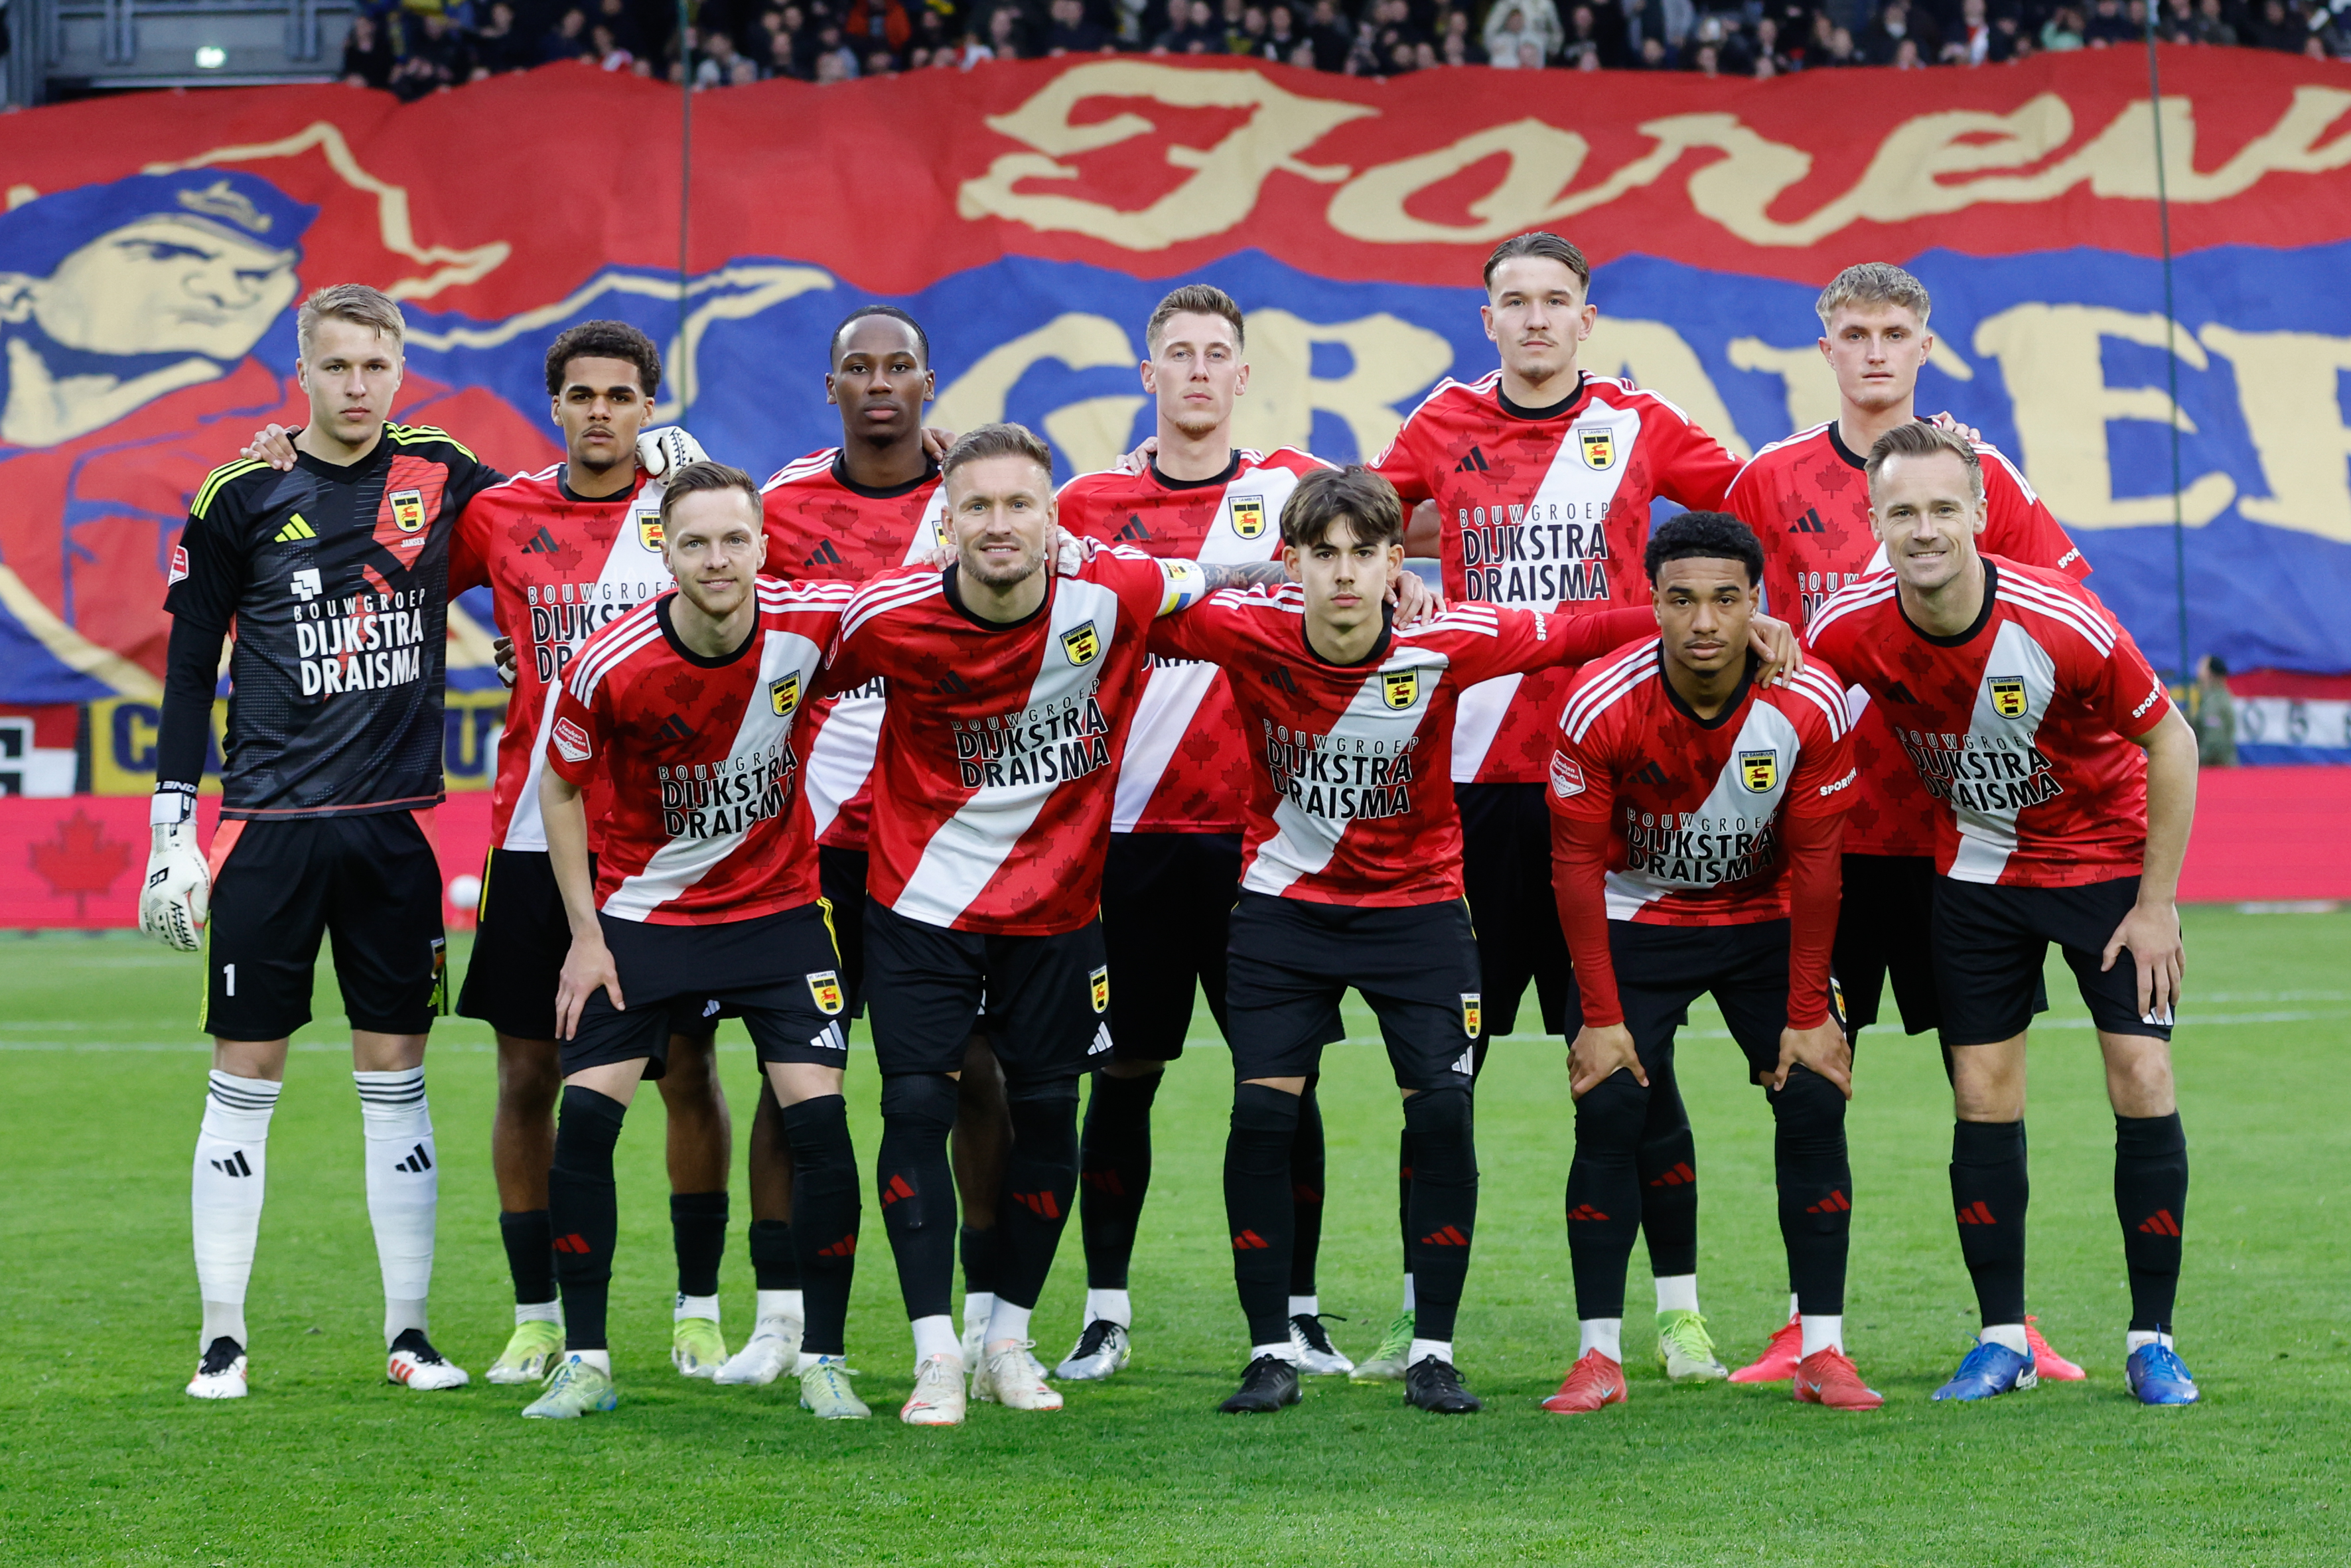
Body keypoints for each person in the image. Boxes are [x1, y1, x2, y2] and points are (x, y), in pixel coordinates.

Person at [1146, 467, 1695, 1417]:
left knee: (1441, 1113)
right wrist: (1186, 573)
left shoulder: (1446, 638)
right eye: (1323, 555)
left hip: (1418, 910)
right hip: (1281, 909)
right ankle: (1269, 1346)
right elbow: (1125, 604)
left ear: (1396, 562)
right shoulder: (1246, 632)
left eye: (1364, 553)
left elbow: (1577, 627)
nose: (1345, 575)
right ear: (1294, 563)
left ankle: (1431, 1350)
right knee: (1260, 1120)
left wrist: (1705, 626)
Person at [823, 422, 1274, 1426]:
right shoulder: (884, 616)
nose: (997, 523)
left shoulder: (1114, 592)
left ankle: (1008, 1339)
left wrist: (1404, 584)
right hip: (921, 907)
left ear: (1052, 520)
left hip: (1060, 910)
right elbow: (767, 661)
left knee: (1046, 1121)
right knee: (915, 1112)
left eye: (1018, 504)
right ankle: (934, 1350)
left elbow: (1236, 574)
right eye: (976, 505)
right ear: (944, 524)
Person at [1362, 230, 1745, 1384]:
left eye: (1554, 302)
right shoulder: (1437, 424)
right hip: (1470, 788)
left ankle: (1675, 1313)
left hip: (1618, 779)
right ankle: (1418, 1320)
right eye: (1512, 302)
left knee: (1636, 1065)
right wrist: (1400, 561)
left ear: (1587, 317)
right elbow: (1355, 524)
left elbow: (1751, 506)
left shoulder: (1640, 421)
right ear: (1486, 319)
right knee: (1445, 1071)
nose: (1533, 319)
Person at [1720, 260, 2093, 1385]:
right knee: (1808, 1072)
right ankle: (1804, 1322)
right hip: (1819, 837)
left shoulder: (1984, 477)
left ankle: (2009, 1324)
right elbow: (1720, 621)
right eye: (1852, 331)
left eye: (1892, 332)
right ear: (1822, 345)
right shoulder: (1767, 480)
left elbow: (2069, 613)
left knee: (1985, 1081)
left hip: (1960, 840)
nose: (1872, 350)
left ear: (1923, 348)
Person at [147, 285, 500, 1399]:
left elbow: (564, 519)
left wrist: (655, 468)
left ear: (402, 371)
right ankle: (222, 1337)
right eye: (338, 366)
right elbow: (189, 665)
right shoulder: (240, 490)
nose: (358, 386)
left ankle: (410, 1335)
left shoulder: (442, 472)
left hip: (395, 829)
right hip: (268, 830)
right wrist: (172, 827)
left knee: (396, 1076)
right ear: (302, 372)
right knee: (243, 1073)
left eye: (376, 367)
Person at [1806, 422, 2202, 1407]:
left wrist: (2154, 904)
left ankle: (2151, 1339)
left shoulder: (2062, 620)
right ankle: (2001, 1337)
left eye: (1944, 508)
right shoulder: (1850, 626)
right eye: (1902, 511)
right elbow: (1794, 704)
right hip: (1976, 875)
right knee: (1981, 1093)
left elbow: (2173, 743)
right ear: (1874, 520)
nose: (1924, 528)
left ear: (1980, 515)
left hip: (2104, 866)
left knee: (2140, 1074)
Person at [522, 461, 871, 1421]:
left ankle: (823, 1356)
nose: (717, 559)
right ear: (661, 549)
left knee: (819, 1124)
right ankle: (586, 1360)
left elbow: (919, 604)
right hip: (643, 921)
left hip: (779, 914)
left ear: (763, 543)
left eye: (733, 539)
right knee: (586, 1121)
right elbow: (556, 788)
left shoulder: (813, 628)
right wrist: (585, 937)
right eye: (695, 542)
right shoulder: (607, 663)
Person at [1050, 285, 1348, 1385]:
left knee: (1283, 1078)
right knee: (1121, 1074)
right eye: (1174, 353)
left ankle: (1301, 1311)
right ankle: (1103, 1308)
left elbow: (1381, 555)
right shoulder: (1087, 502)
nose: (1193, 370)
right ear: (1147, 374)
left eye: (1213, 354)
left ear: (1239, 375)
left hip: (1260, 840)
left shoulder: (1293, 494)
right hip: (1123, 837)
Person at [445, 321, 738, 1389]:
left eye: (622, 393)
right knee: (527, 1073)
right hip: (533, 833)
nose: (602, 411)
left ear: (650, 404)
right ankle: (534, 1317)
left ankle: (698, 1311)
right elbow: (385, 561)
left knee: (690, 1071)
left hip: (668, 844)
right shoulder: (499, 513)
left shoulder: (690, 513)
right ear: (554, 405)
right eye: (582, 394)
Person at [1541, 510, 1882, 1417]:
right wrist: (1601, 1017)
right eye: (1681, 599)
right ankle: (1596, 1355)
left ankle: (1819, 1346)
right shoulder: (1598, 702)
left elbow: (1816, 867)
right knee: (1607, 1100)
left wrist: (1808, 1010)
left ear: (1754, 605)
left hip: (1759, 920)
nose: (1702, 622)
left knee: (1813, 1091)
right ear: (1650, 602)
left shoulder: (1803, 703)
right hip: (1634, 916)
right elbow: (1572, 867)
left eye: (1725, 600)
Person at [748, 304, 1017, 1384]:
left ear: (928, 382)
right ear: (830, 388)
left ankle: (996, 1320)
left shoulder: (977, 496)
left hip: (946, 839)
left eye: (896, 366)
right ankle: (778, 1323)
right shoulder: (780, 504)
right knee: (793, 1080)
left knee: (977, 1078)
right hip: (806, 846)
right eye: (855, 367)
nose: (876, 383)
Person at [2192, 656, 2236, 766]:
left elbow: (2214, 741)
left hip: (2216, 769)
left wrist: (2194, 762)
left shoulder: (2214, 703)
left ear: (2209, 673)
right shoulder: (2211, 698)